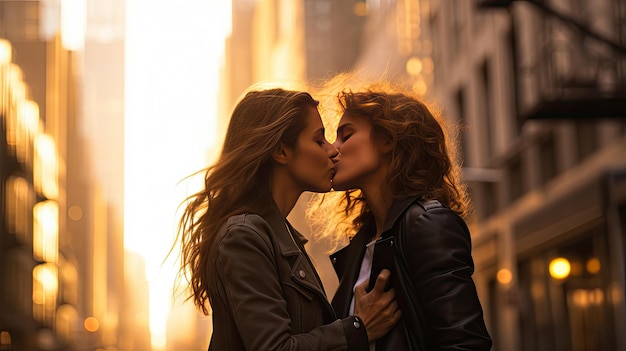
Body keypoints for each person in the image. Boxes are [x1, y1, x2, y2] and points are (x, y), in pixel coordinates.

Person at [176, 87, 401, 351]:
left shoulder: (282, 236)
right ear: (281, 152)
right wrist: (357, 329)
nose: (332, 151)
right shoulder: (244, 235)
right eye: (319, 140)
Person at [307, 82, 493, 350]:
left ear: (387, 140)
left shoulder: (428, 224)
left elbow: (466, 343)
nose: (334, 150)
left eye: (345, 136)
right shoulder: (362, 242)